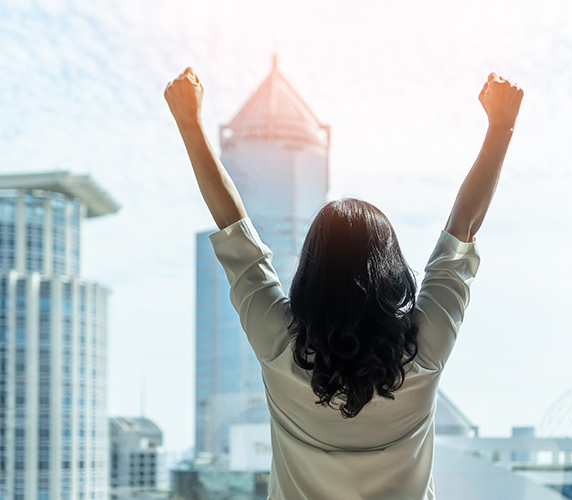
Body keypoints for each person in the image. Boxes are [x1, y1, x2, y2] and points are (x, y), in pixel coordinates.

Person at [165, 67, 523, 500]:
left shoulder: (279, 344)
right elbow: (461, 229)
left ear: (311, 272)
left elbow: (234, 227)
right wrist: (501, 127)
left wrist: (189, 123)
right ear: (390, 272)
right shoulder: (424, 348)